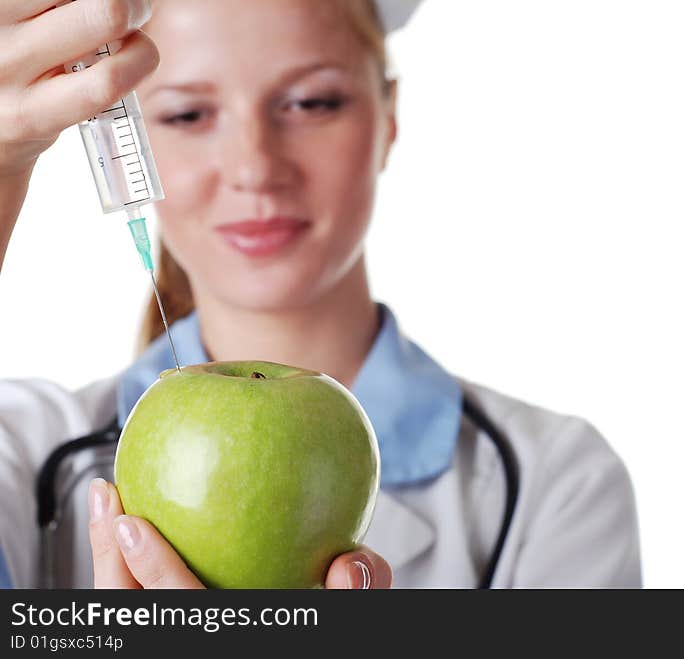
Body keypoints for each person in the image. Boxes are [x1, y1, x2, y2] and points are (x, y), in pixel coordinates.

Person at [0, 0, 642, 589]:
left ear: (389, 114)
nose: (254, 168)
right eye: (188, 114)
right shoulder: (28, 449)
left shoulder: (554, 482)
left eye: (311, 103)